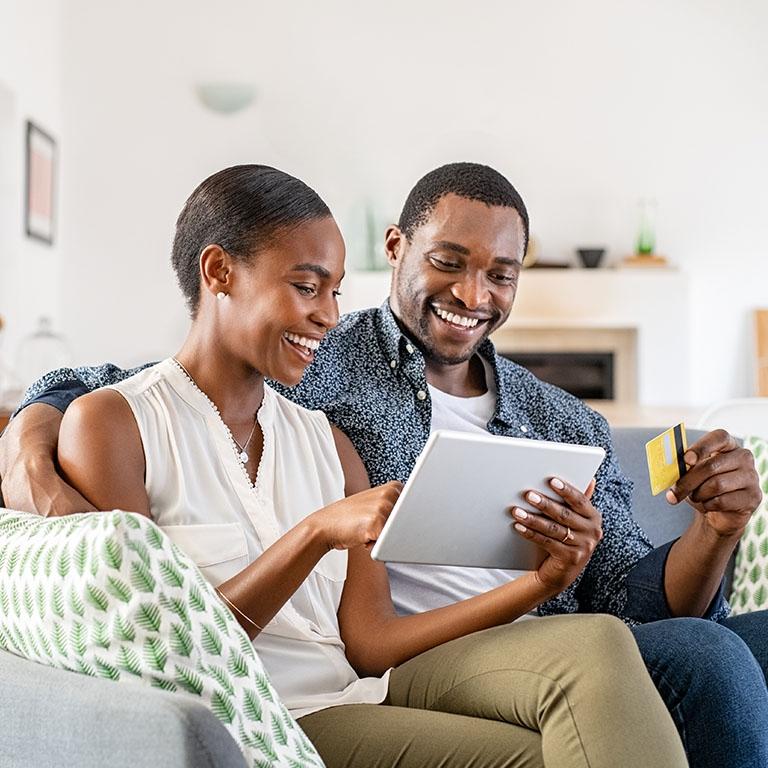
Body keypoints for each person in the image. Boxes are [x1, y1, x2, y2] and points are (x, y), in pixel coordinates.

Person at [3, 162, 764, 765]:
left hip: (504, 646)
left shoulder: (558, 420)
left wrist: (715, 530)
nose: (473, 294)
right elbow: (128, 386)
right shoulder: (324, 364)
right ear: (396, 248)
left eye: (501, 275)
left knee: (714, 644)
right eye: (449, 261)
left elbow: (632, 598)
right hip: (377, 679)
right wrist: (33, 435)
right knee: (704, 657)